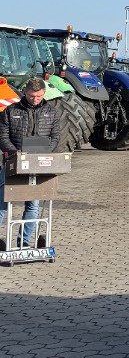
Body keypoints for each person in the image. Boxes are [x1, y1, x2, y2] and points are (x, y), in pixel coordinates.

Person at [0, 78, 60, 250]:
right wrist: (16, 154)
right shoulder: (11, 111)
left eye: (39, 96)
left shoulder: (52, 112)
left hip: (38, 165)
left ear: (44, 93)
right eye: (32, 96)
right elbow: (2, 136)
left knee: (33, 205)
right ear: (25, 92)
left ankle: (24, 243)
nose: (35, 99)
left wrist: (45, 152)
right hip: (13, 163)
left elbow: (55, 137)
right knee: (2, 203)